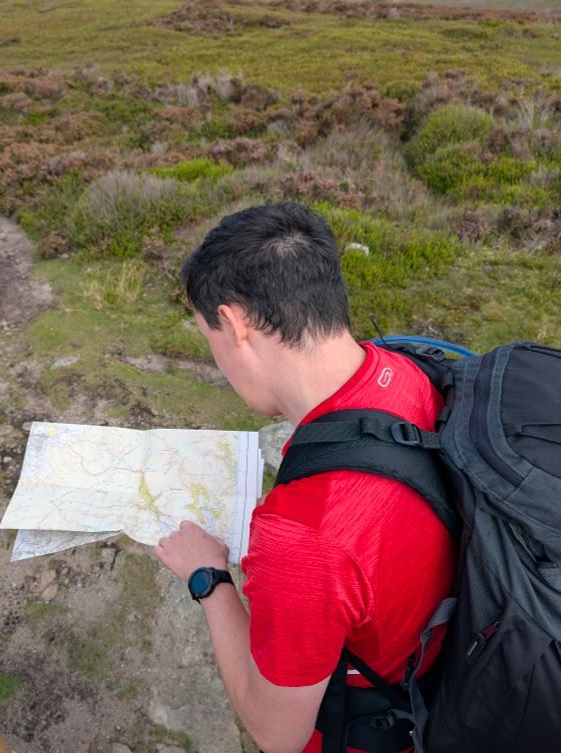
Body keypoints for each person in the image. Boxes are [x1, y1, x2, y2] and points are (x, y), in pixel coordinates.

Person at [154, 203, 455, 753]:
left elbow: (277, 735)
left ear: (238, 326)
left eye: (210, 337)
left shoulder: (303, 537)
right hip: (438, 658)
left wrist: (209, 577)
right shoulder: (406, 371)